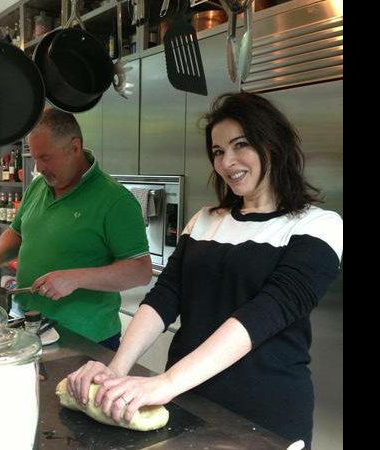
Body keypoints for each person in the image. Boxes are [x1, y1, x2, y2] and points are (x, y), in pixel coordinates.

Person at [66, 92, 343, 447]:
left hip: (265, 417)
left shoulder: (317, 226)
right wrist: (116, 368)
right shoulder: (204, 221)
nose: (228, 161)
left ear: (272, 145)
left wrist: (164, 383)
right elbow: (165, 297)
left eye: (241, 145)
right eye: (218, 151)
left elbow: (264, 315)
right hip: (188, 403)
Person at [0, 107, 152, 350]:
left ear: (75, 147)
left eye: (46, 158)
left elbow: (140, 271)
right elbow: (17, 232)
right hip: (30, 326)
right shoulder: (37, 187)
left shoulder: (115, 200)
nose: (39, 167)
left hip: (86, 338)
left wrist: (75, 278)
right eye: (35, 157)